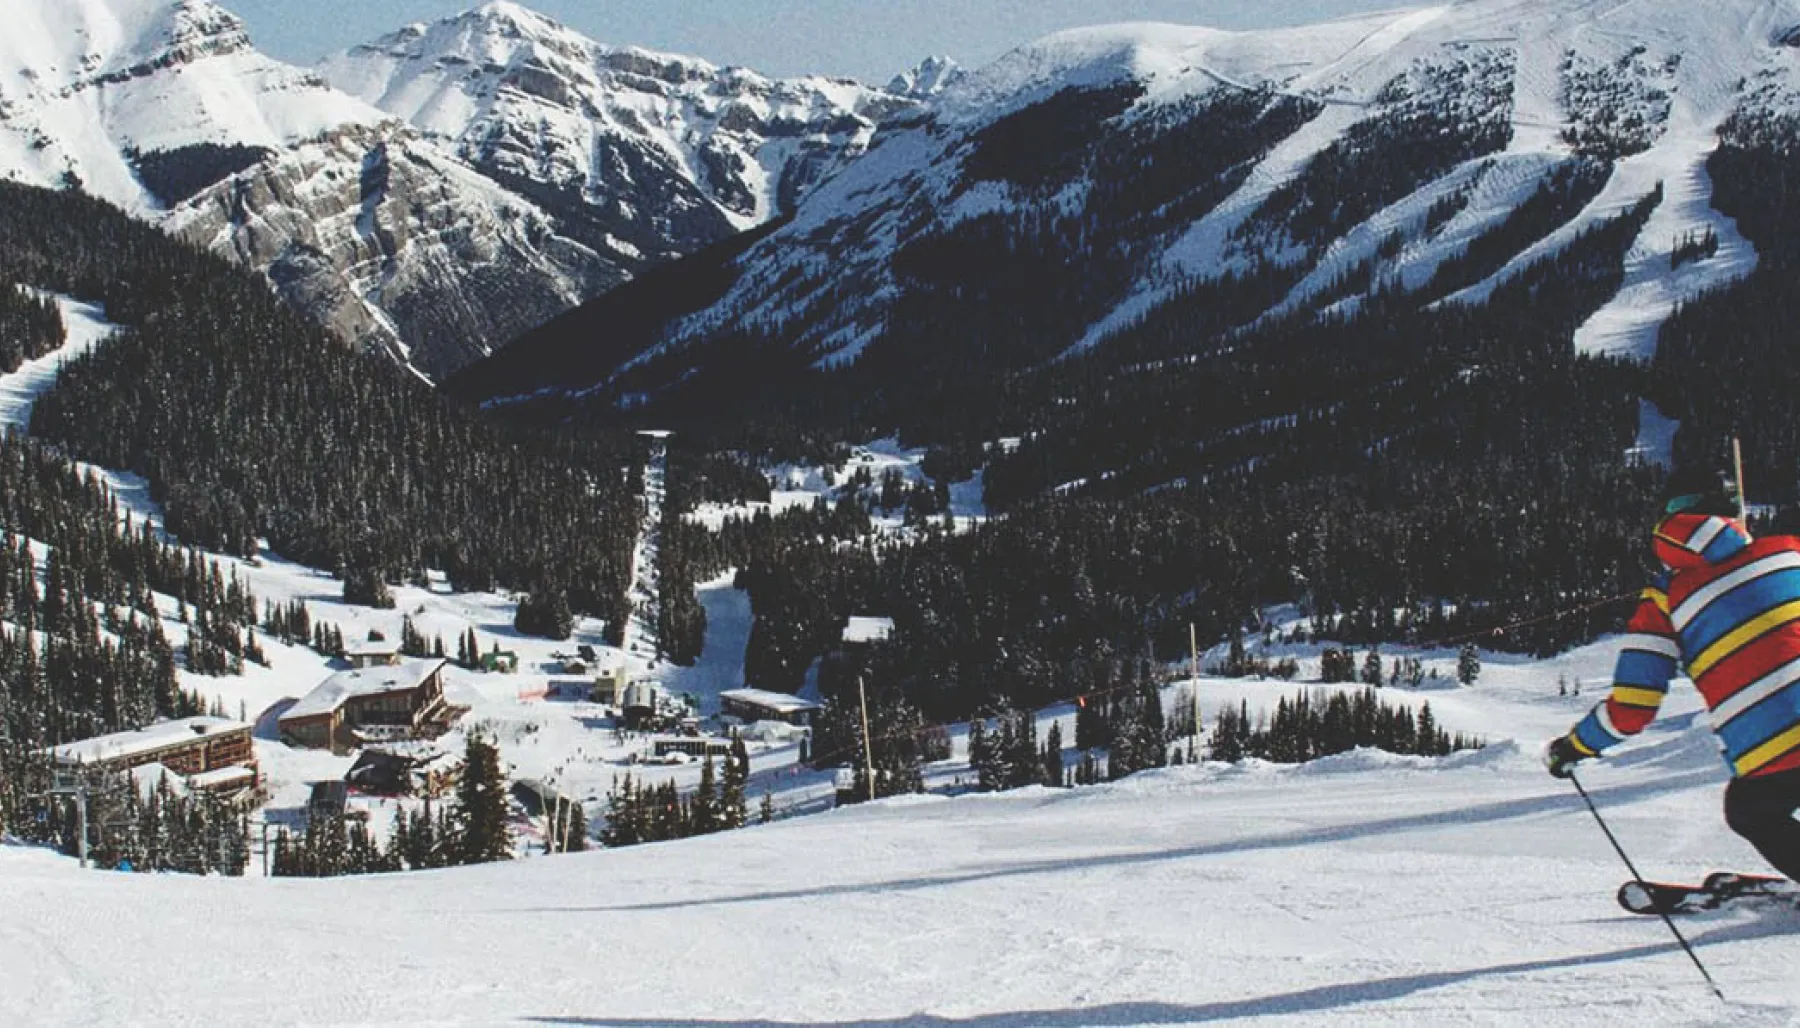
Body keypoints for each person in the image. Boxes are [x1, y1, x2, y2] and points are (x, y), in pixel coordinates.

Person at [1546, 465, 1800, 882]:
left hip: (1773, 752)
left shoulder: (1664, 600)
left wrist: (1574, 748)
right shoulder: (1789, 551)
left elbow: (1632, 707)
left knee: (1751, 811)